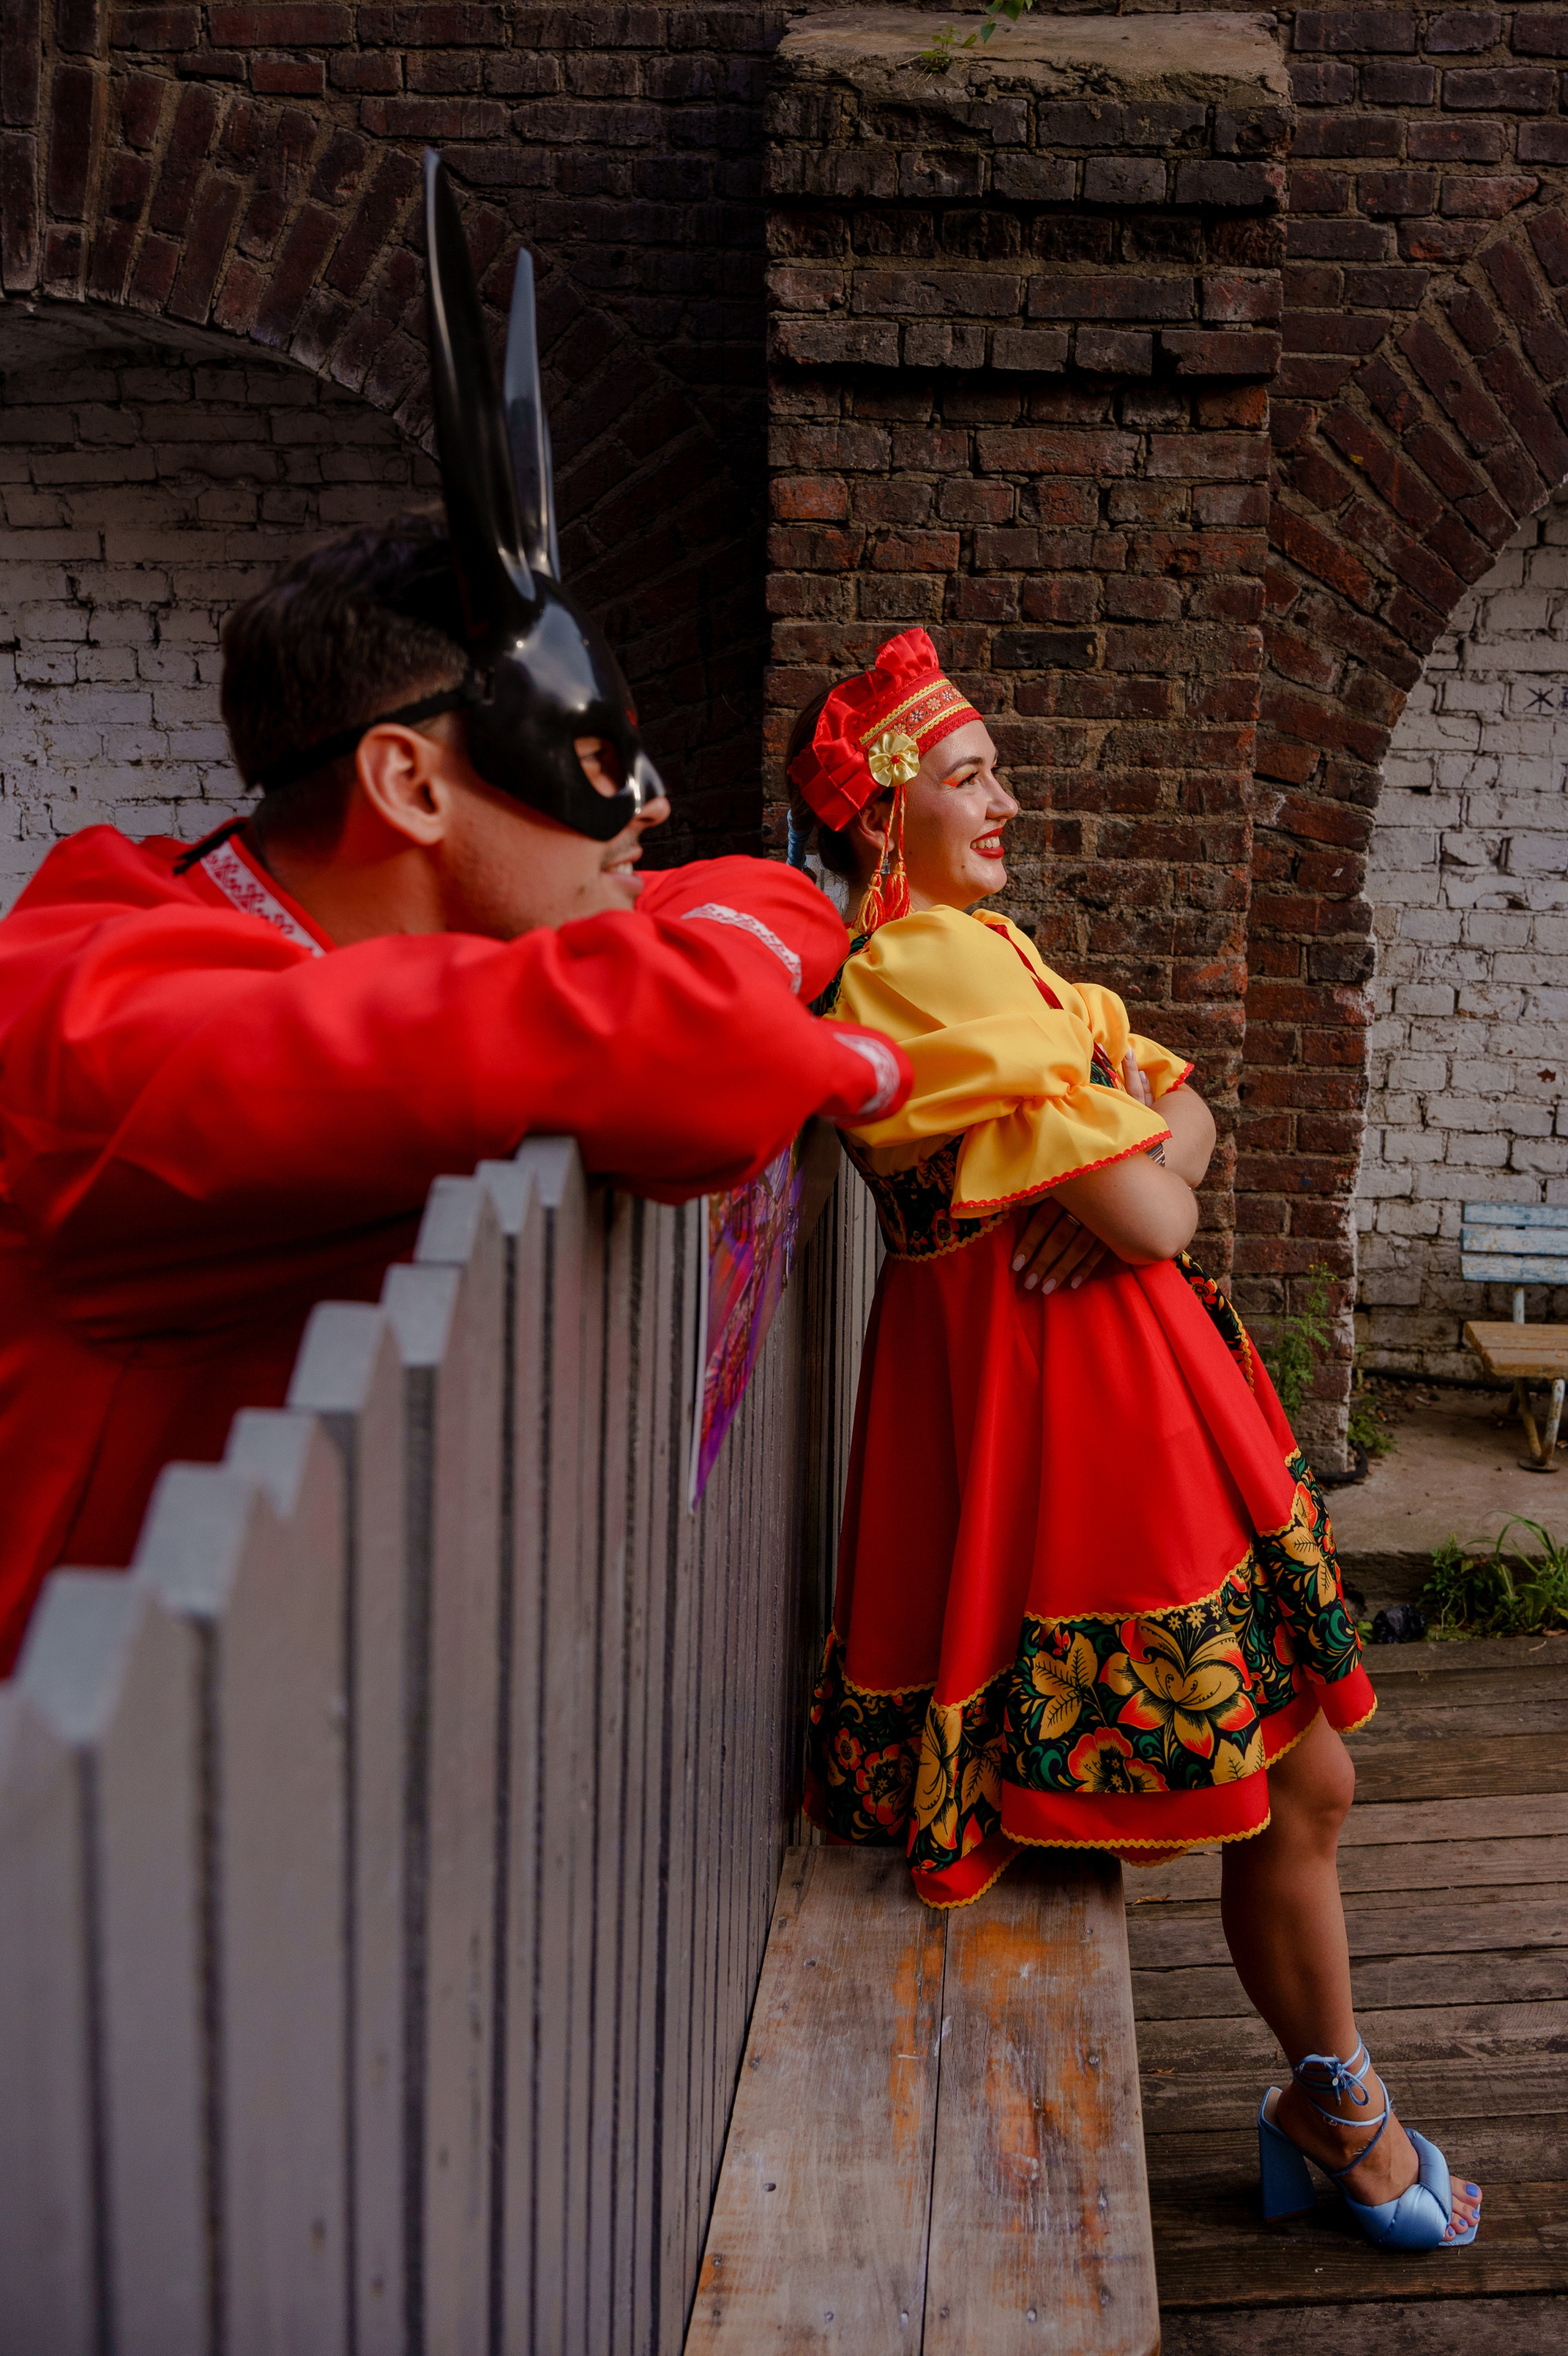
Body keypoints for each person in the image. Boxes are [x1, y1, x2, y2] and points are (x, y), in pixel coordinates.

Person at [0, 158, 908, 1675]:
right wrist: (832, 1051)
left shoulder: (309, 944)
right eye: (595, 763)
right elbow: (694, 1049)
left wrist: (755, 942)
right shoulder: (119, 1030)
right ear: (409, 787)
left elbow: (741, 894)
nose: (649, 810)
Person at [788, 629, 1480, 2254]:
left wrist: (1134, 1159)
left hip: (1116, 1425)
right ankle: (1332, 2112)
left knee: (1304, 1780)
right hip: (1071, 1461)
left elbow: (1189, 1114)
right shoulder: (922, 972)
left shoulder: (986, 950)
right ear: (885, 818)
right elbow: (1159, 1201)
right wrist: (1136, 1172)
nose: (1008, 803)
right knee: (1295, 1778)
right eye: (970, 779)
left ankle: (1328, 2101)